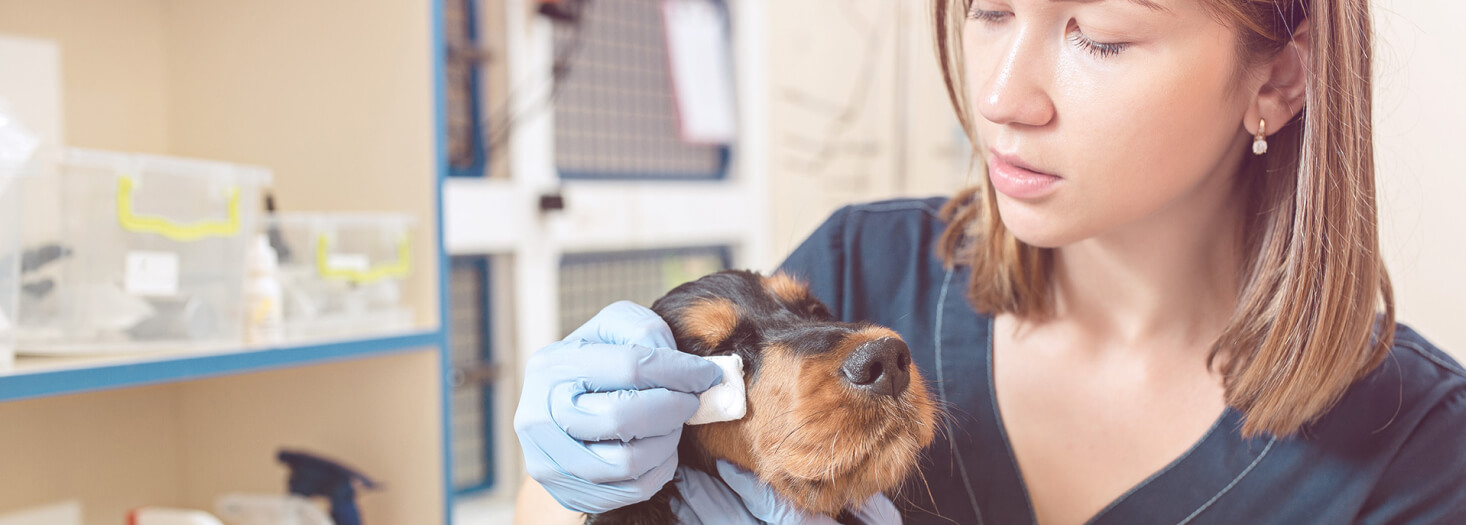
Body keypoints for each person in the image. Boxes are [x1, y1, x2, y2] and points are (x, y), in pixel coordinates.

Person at [513, 0, 1466, 522]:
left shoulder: (1422, 451)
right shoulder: (861, 264)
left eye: (1098, 34)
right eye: (988, 8)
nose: (1004, 97)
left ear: (1279, 78)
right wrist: (569, 480)